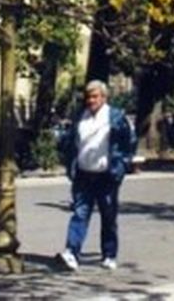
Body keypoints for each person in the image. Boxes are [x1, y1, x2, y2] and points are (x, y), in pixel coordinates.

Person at [57, 80, 137, 271]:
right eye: (88, 96)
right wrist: (69, 163)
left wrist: (122, 165)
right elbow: (70, 142)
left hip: (106, 176)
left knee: (108, 216)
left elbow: (129, 142)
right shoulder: (80, 117)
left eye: (94, 96)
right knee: (80, 213)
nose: (90, 100)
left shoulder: (116, 117)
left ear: (103, 97)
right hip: (84, 175)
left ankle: (109, 254)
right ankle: (72, 252)